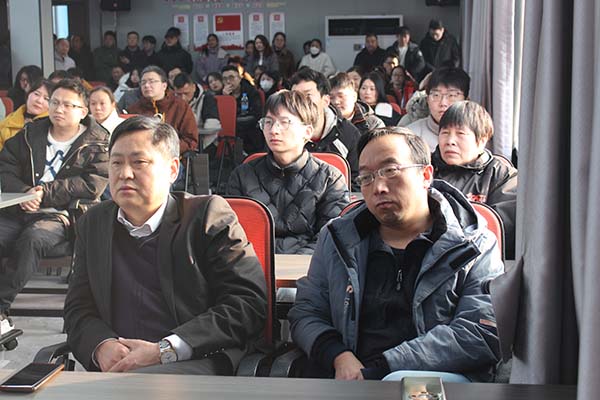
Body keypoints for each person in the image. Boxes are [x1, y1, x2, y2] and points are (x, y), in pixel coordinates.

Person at [288, 127, 503, 381]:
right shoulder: (337, 238)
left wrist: (384, 368)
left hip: (436, 379)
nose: (378, 187)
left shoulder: (474, 244)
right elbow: (307, 311)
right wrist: (339, 356)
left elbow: (480, 331)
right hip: (347, 378)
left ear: (425, 175)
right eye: (366, 177)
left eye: (390, 170)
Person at [63, 115, 267, 374]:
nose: (125, 173)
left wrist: (166, 350)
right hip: (117, 368)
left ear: (172, 170)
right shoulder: (93, 223)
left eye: (139, 162)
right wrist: (101, 345)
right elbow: (78, 308)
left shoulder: (207, 216)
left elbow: (247, 303)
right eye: (116, 163)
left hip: (195, 360)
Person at [0, 78, 109, 324]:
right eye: (55, 102)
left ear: (83, 111)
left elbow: (92, 183)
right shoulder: (31, 132)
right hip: (20, 208)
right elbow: (5, 167)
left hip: (61, 215)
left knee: (33, 239)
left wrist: (45, 193)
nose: (59, 109)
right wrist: (25, 192)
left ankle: (0, 307)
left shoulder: (97, 142)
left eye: (68, 105)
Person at [227, 90, 349, 254]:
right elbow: (234, 234)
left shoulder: (330, 178)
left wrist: (295, 263)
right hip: (255, 262)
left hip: (310, 264)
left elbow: (331, 236)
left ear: (307, 132)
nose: (274, 130)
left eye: (284, 122)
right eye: (268, 122)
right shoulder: (242, 176)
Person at [432, 101, 517, 259]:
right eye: (445, 133)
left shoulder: (502, 176)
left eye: (460, 134)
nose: (450, 141)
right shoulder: (425, 169)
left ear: (482, 140)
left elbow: (500, 227)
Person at [290, 68, 361, 189]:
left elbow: (358, 181)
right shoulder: (282, 132)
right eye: (296, 97)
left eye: (308, 95)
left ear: (326, 100)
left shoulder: (349, 133)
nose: (301, 102)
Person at [127, 66, 198, 155]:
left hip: (172, 156)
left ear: (164, 85)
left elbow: (190, 140)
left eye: (151, 81)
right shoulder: (134, 109)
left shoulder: (180, 106)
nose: (146, 85)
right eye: (143, 82)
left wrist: (165, 149)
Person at [407, 67, 469, 150]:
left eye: (452, 95)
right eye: (436, 95)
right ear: (427, 99)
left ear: (466, 100)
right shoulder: (410, 136)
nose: (443, 103)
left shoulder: (475, 135)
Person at [172, 72, 221, 150]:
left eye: (186, 93)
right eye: (179, 94)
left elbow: (212, 128)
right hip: (178, 144)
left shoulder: (207, 99)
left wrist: (196, 146)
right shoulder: (172, 101)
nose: (183, 98)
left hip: (205, 144)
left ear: (194, 87)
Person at [221, 65, 264, 154]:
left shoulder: (251, 92)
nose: (228, 81)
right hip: (231, 127)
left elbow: (256, 114)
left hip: (250, 127)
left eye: (231, 78)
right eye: (225, 79)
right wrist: (226, 99)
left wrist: (236, 120)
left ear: (239, 78)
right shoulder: (221, 94)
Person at [0, 79, 53, 150]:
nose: (39, 101)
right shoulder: (10, 119)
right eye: (36, 94)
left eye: (46, 99)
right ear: (28, 94)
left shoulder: (51, 126)